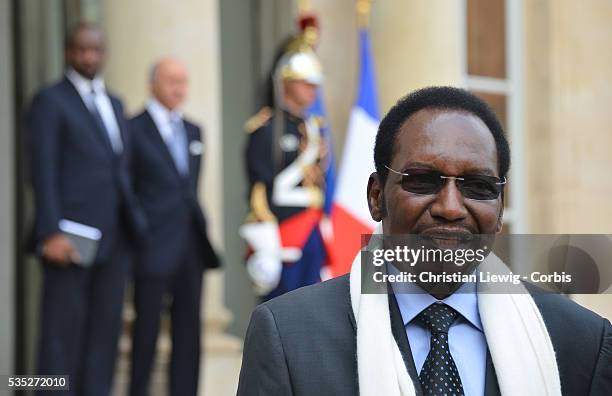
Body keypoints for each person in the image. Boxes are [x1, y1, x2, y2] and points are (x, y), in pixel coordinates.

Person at [237, 87, 612, 396]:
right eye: (422, 180)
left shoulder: (580, 341)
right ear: (376, 196)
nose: (450, 208)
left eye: (478, 186)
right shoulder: (289, 337)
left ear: (500, 210)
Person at [28, 23, 146, 395]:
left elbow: (118, 170)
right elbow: (41, 171)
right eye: (81, 50)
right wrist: (50, 231)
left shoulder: (114, 103)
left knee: (104, 338)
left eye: (95, 50)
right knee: (61, 337)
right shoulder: (50, 100)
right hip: (69, 240)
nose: (88, 57)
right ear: (67, 52)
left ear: (104, 53)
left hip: (114, 241)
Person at [128, 57, 220, 396]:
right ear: (152, 84)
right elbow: (127, 188)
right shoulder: (133, 129)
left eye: (183, 81)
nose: (179, 88)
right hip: (151, 245)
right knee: (146, 330)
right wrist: (139, 232)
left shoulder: (194, 130)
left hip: (190, 246)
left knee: (188, 332)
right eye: (171, 81)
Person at [241, 34, 331, 300]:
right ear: (287, 84)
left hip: (312, 228)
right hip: (283, 232)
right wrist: (265, 239)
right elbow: (259, 187)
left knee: (313, 303)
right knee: (283, 306)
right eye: (305, 84)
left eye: (314, 85)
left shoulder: (313, 128)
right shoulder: (265, 129)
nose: (312, 91)